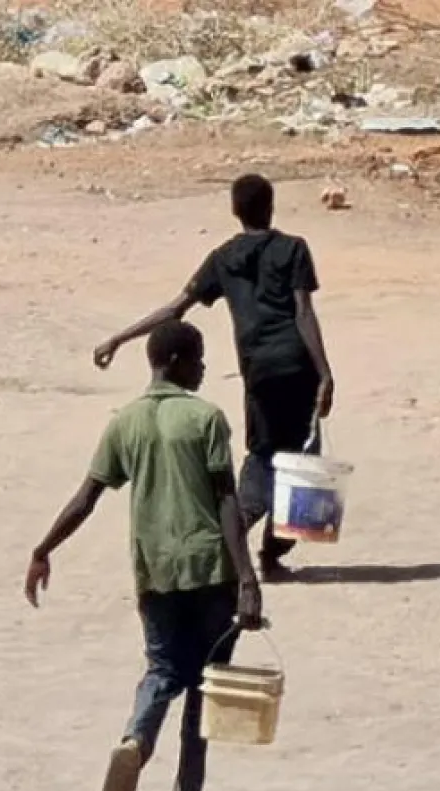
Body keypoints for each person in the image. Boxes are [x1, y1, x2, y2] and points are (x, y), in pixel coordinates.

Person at [25, 321, 263, 791]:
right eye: (197, 359)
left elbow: (86, 498)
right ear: (175, 361)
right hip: (210, 570)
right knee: (206, 683)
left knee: (162, 670)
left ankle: (136, 738)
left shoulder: (125, 423)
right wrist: (247, 578)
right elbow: (226, 501)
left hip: (154, 572)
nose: (202, 368)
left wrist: (44, 548)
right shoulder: (206, 419)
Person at [93, 174, 336, 580]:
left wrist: (119, 338)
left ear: (234, 211)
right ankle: (261, 550)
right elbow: (303, 313)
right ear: (271, 206)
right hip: (298, 366)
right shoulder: (293, 249)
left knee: (263, 456)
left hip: (258, 371)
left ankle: (245, 537)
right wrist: (325, 373)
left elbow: (175, 309)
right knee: (303, 465)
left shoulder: (223, 258)